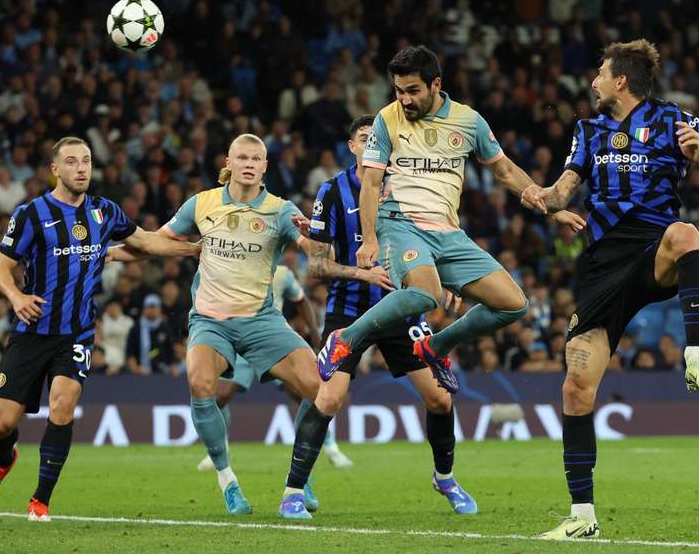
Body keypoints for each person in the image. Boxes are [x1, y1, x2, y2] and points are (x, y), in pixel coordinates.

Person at [284, 47, 584, 518]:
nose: (403, 99)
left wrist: (548, 203)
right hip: (400, 224)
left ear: (436, 85)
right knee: (424, 293)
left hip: (449, 233)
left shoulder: (468, 122)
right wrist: (367, 239)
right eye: (398, 90)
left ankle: (435, 349)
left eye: (413, 90)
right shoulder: (386, 121)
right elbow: (369, 183)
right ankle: (347, 339)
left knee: (513, 303)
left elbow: (505, 171)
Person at [526, 40, 699, 539]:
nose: (593, 82)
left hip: (653, 249)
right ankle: (582, 518)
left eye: (600, 74)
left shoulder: (675, 120)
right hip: (602, 266)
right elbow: (565, 188)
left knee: (686, 233)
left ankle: (696, 354)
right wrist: (542, 197)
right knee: (575, 388)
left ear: (621, 81)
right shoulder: (588, 130)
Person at [0, 136, 199, 522]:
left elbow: (144, 242)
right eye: (72, 162)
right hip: (32, 329)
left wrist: (195, 249)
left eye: (87, 161)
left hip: (76, 332)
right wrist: (15, 298)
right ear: (55, 169)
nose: (81, 168)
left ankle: (39, 501)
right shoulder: (31, 214)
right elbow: (0, 268)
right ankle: (3, 459)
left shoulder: (104, 211)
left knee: (62, 407)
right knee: (1, 423)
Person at [279, 114, 477, 520]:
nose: (372, 144)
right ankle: (293, 491)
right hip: (349, 310)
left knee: (440, 398)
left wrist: (453, 279)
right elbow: (316, 266)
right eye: (364, 139)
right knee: (330, 397)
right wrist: (361, 272)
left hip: (403, 312)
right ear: (352, 146)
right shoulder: (332, 192)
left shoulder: (410, 188)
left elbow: (440, 244)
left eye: (378, 138)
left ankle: (446, 478)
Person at [111, 133, 321, 516]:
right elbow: (155, 243)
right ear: (229, 161)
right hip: (211, 321)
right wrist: (108, 256)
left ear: (265, 166)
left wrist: (315, 239)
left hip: (261, 320)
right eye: (242, 156)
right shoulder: (202, 203)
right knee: (200, 383)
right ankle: (228, 483)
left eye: (256, 158)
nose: (249, 163)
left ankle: (299, 477)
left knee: (319, 390)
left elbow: (311, 249)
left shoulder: (280, 210)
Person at [196, 263, 354, 474]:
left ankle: (331, 447)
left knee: (305, 394)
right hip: (238, 340)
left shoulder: (282, 274)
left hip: (271, 342)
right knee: (221, 395)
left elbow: (301, 301)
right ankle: (218, 448)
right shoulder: (231, 266)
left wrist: (315, 334)